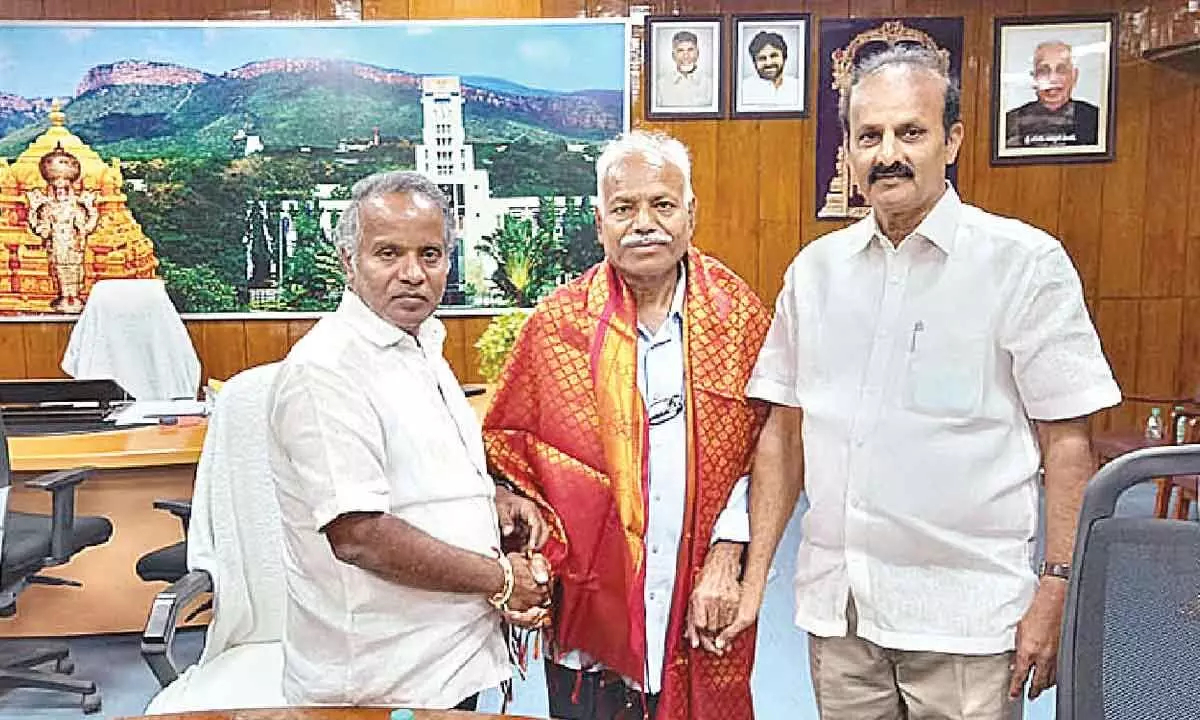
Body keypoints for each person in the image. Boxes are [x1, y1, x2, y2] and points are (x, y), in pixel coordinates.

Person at [733, 46, 1121, 720]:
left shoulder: (1021, 264)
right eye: (870, 136)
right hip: (841, 613)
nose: (889, 154)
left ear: (953, 140)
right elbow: (785, 434)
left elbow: (1067, 443)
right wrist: (755, 576)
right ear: (850, 151)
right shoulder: (815, 274)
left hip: (966, 622)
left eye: (910, 132)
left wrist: (1057, 589)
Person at [482, 130, 771, 720]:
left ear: (691, 214)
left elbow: (770, 446)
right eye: (624, 208)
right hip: (589, 623)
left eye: (662, 205)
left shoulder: (737, 316)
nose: (645, 224)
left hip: (701, 593)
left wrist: (730, 549)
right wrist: (515, 503)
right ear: (599, 222)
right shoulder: (557, 325)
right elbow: (509, 448)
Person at [267, 170, 551, 709]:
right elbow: (359, 535)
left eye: (430, 254)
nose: (412, 274)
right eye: (388, 253)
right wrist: (501, 579)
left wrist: (492, 498)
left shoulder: (421, 343)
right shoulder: (326, 370)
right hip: (379, 684)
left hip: (446, 662)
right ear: (349, 263)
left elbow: (423, 470)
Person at [26, 142, 99, 313]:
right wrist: (34, 210)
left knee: (74, 269)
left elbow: (86, 227)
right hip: (57, 244)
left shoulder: (76, 206)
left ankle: (73, 297)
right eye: (57, 190)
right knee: (59, 270)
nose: (61, 194)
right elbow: (41, 229)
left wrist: (90, 209)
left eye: (64, 190)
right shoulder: (48, 207)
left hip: (73, 245)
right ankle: (64, 296)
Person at [1005, 40, 1100, 148]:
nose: (1052, 79)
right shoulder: (1010, 122)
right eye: (1043, 71)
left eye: (1061, 70)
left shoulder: (1096, 119)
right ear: (1033, 78)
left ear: (1074, 76)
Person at [739, 31, 801, 108]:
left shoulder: (798, 87)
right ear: (754, 62)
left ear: (784, 57)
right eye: (762, 58)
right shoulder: (742, 90)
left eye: (773, 56)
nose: (768, 63)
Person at [655, 30, 714, 108]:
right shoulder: (660, 86)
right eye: (680, 50)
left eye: (690, 50)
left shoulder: (711, 84)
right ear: (673, 55)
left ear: (697, 53)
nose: (686, 55)